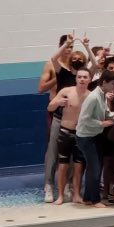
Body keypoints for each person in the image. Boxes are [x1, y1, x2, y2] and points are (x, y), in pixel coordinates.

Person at [76, 71, 114, 207]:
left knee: (94, 168)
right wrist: (101, 124)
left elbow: (106, 113)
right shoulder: (93, 97)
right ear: (104, 82)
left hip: (94, 135)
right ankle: (95, 199)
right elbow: (84, 119)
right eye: (113, 83)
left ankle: (87, 198)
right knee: (95, 168)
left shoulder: (102, 95)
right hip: (85, 137)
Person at [45, 67, 90, 204]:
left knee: (78, 166)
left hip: (81, 134)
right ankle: (60, 196)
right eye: (80, 77)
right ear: (76, 79)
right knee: (63, 166)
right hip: (65, 131)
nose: (82, 79)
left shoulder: (91, 96)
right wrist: (58, 102)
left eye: (85, 77)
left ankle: (76, 194)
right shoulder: (66, 92)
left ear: (89, 80)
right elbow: (50, 107)